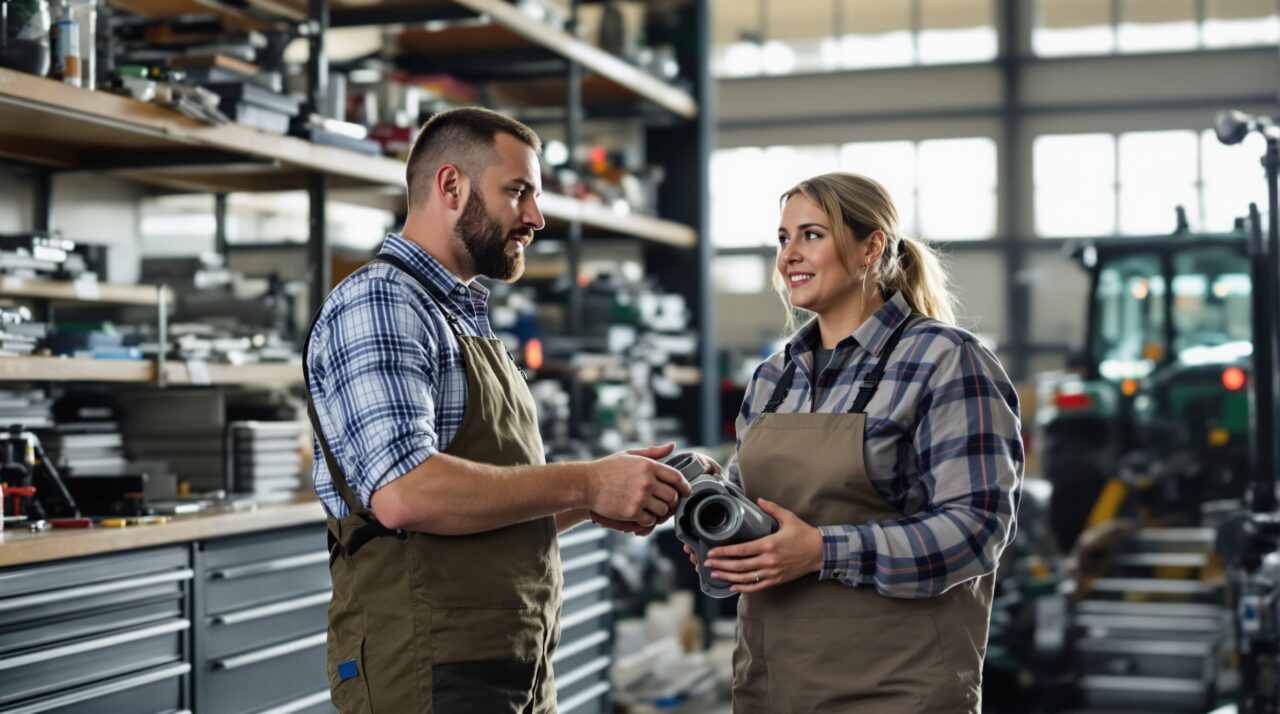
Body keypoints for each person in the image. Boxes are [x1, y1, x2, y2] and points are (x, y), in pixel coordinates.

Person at [305, 107, 692, 713]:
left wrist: (602, 496)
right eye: (518, 192)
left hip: (505, 659)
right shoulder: (383, 300)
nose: (537, 217)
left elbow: (484, 506)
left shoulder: (457, 313)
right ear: (451, 186)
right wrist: (588, 481)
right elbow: (406, 494)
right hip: (430, 666)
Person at [689, 172, 1022, 712]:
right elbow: (759, 522)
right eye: (783, 238)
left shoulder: (945, 360)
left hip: (899, 689)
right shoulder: (773, 378)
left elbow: (976, 530)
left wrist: (822, 551)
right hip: (772, 685)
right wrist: (715, 521)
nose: (789, 255)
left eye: (812, 235)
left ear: (872, 247)